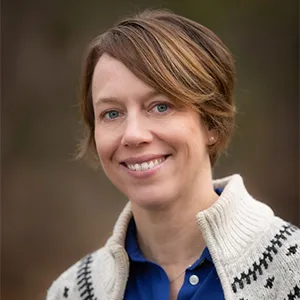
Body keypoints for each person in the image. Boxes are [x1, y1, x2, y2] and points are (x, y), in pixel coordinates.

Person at [47, 9, 300, 300]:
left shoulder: (291, 272)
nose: (133, 134)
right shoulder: (72, 292)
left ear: (211, 123)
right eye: (112, 113)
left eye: (160, 106)